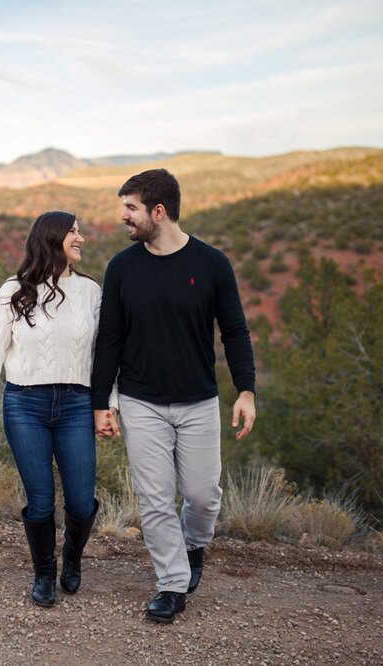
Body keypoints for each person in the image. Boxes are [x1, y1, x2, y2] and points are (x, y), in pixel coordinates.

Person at [91, 169, 256, 623]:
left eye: (131, 208)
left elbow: (235, 331)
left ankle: (194, 545)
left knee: (203, 496)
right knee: (156, 498)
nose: (123, 216)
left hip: (199, 401)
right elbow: (109, 339)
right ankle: (171, 584)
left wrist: (246, 390)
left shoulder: (211, 264)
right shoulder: (123, 268)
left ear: (158, 212)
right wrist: (101, 402)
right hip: (142, 402)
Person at [0, 210, 107, 608]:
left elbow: (104, 356)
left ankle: (73, 559)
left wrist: (107, 405)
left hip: (77, 406)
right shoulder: (13, 290)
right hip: (24, 405)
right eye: (73, 232)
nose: (81, 239)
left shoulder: (90, 293)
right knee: (42, 499)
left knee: (81, 501)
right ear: (52, 238)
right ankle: (44, 572)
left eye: (80, 232)